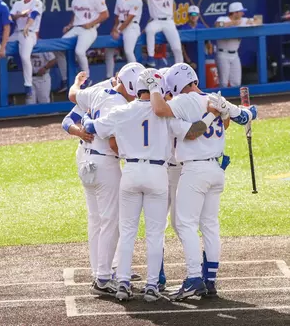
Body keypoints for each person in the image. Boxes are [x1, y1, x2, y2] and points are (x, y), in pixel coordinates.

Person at [81, 69, 222, 302]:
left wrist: (86, 117)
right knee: (155, 234)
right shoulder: (166, 113)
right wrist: (211, 115)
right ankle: (152, 285)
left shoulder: (123, 110)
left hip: (131, 171)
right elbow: (193, 133)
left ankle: (123, 283)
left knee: (127, 231)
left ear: (137, 88)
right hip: (158, 173)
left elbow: (92, 128)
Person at [144, 63, 257, 301]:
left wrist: (154, 87)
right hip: (216, 169)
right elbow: (243, 117)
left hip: (195, 169)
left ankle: (194, 278)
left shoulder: (185, 100)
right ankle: (210, 280)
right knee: (209, 225)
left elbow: (160, 109)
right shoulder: (215, 98)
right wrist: (248, 111)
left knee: (184, 224)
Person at [68, 63, 145, 296]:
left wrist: (77, 83)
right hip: (104, 163)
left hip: (84, 159)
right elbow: (113, 143)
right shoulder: (120, 106)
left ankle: (103, 270)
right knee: (112, 221)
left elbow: (72, 96)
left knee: (97, 220)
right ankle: (103, 276)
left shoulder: (98, 91)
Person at [55, 0, 109, 92]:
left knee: (79, 51)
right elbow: (76, 16)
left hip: (89, 29)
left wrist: (91, 23)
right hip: (77, 28)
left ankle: (86, 78)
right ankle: (65, 79)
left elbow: (105, 14)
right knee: (58, 48)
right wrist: (69, 25)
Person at [9, 0, 43, 103]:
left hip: (29, 32)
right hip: (17, 32)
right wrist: (21, 15)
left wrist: (28, 25)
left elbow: (33, 15)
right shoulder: (18, 4)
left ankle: (28, 85)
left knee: (24, 56)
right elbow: (11, 16)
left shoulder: (37, 2)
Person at [105, 0, 143, 79]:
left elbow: (130, 18)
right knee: (109, 49)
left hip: (132, 27)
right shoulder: (119, 0)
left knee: (128, 51)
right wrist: (114, 28)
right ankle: (109, 76)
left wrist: (118, 30)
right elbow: (117, 17)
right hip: (120, 26)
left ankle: (137, 75)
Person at [215, 2, 256, 88]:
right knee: (223, 82)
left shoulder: (243, 20)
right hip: (222, 54)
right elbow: (217, 25)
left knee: (237, 82)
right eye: (241, 11)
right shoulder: (223, 19)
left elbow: (258, 21)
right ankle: (222, 101)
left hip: (235, 54)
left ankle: (235, 101)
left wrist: (251, 22)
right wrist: (232, 23)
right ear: (235, 12)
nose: (243, 13)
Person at [179, 5, 213, 71]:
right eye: (191, 14)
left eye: (196, 14)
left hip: (201, 58)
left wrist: (209, 48)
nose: (194, 16)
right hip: (188, 59)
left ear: (198, 15)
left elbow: (207, 42)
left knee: (201, 79)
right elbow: (182, 47)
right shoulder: (183, 28)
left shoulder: (202, 27)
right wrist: (189, 61)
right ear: (188, 16)